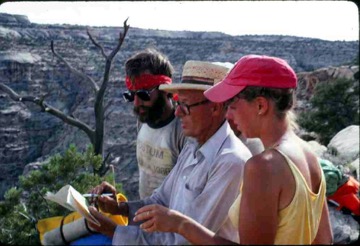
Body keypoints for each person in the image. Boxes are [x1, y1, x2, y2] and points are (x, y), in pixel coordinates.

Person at [134, 55, 333, 245]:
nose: (228, 113)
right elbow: (324, 239)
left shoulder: (263, 166)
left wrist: (181, 224)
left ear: (261, 106)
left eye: (233, 104)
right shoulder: (308, 155)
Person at [87, 60, 252, 245]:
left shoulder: (230, 162)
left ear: (215, 107)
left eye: (186, 105)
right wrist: (121, 208)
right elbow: (161, 200)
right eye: (177, 103)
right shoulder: (192, 147)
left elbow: (185, 240)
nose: (178, 113)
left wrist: (113, 231)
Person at [123, 48, 186, 199]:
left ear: (165, 90)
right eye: (132, 95)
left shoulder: (182, 131)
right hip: (144, 212)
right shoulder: (144, 119)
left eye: (144, 94)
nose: (137, 103)